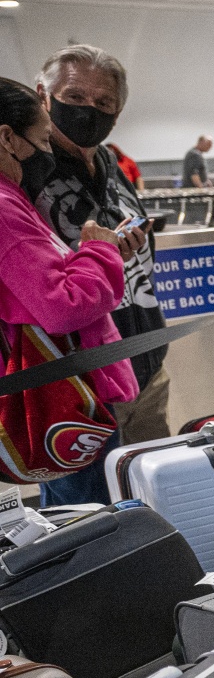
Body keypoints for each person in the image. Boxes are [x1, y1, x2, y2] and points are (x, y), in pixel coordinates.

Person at [0, 77, 140, 505]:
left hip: (57, 385)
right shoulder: (4, 208)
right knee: (90, 513)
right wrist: (98, 250)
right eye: (43, 138)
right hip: (62, 389)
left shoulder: (13, 199)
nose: (47, 151)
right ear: (8, 138)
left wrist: (93, 255)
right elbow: (63, 306)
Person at [29, 45, 172, 444]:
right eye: (74, 96)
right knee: (91, 503)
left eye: (103, 101)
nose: (88, 110)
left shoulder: (110, 163)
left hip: (145, 366)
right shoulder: (25, 170)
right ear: (43, 95)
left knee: (153, 487)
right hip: (79, 381)